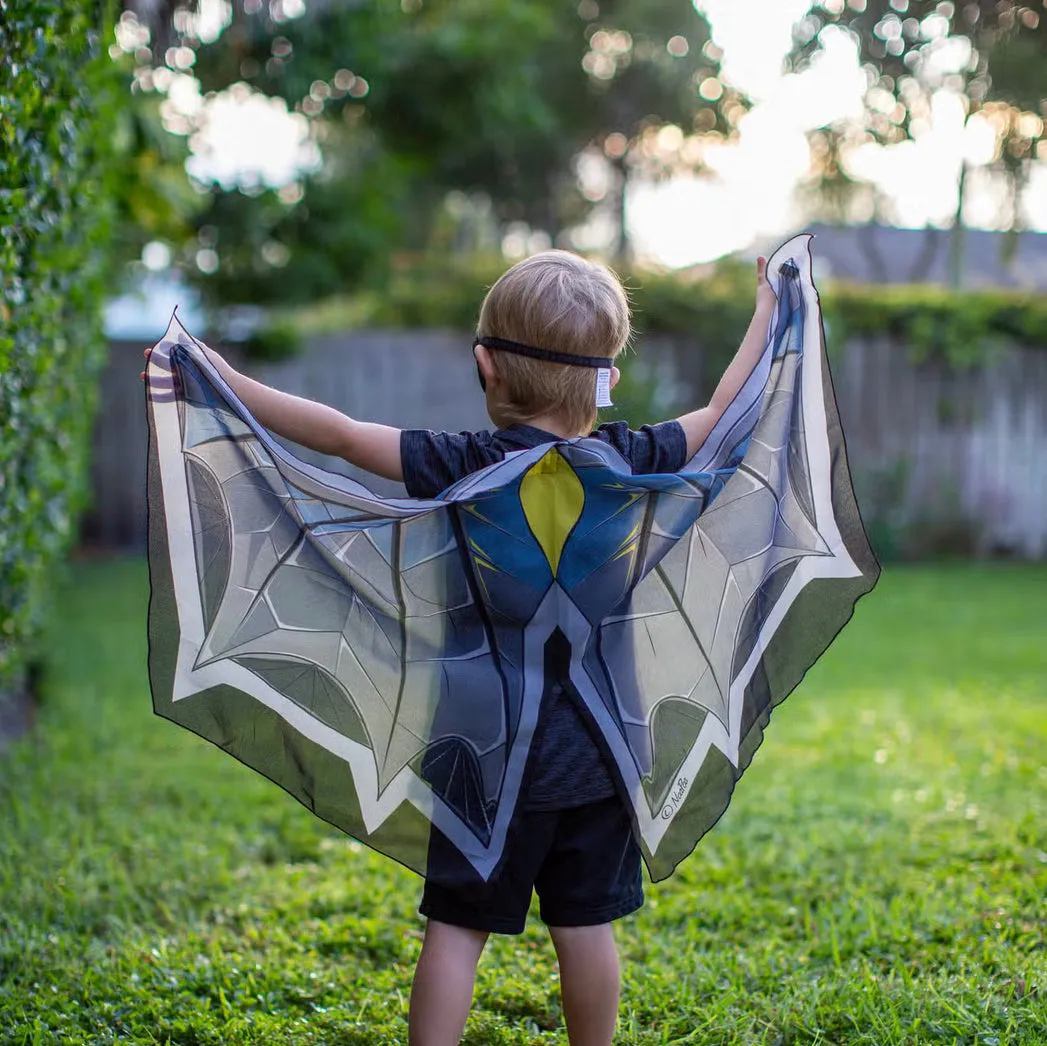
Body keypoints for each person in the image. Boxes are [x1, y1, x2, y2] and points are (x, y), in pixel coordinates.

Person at [142, 249, 776, 1046]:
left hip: (479, 754)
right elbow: (726, 412)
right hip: (606, 751)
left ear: (486, 366)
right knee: (585, 927)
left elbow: (335, 437)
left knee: (458, 928)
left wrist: (211, 375)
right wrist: (768, 308)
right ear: (605, 376)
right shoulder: (632, 461)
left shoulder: (461, 464)